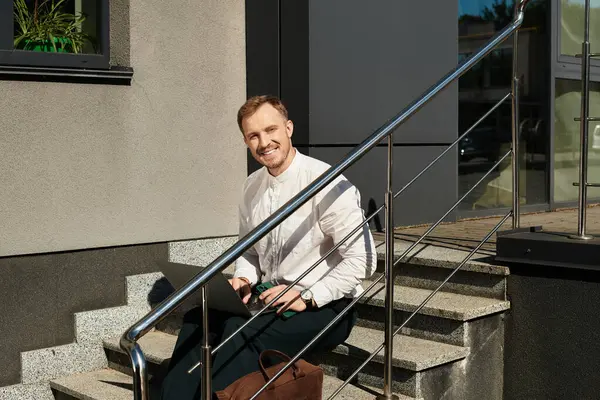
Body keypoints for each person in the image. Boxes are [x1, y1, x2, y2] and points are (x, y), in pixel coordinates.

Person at [161, 95, 376, 399]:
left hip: (326, 307)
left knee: (242, 334)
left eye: (271, 130)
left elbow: (362, 260)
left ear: (288, 128)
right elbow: (248, 250)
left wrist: (308, 295)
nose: (264, 142)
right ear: (246, 141)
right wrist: (244, 279)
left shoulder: (327, 183)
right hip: (269, 298)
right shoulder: (252, 186)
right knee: (200, 319)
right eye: (253, 135)